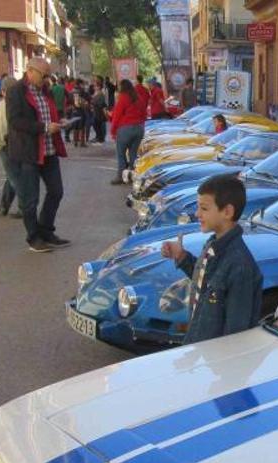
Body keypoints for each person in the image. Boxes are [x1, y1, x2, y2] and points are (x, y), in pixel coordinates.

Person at [159, 173, 262, 344]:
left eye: (204, 208)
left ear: (227, 212)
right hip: (198, 347)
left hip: (214, 361)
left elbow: (236, 334)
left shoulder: (240, 266)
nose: (197, 214)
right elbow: (206, 282)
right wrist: (181, 256)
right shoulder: (213, 244)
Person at [4, 58, 69, 252]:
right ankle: (33, 237)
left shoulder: (45, 90)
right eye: (44, 74)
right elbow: (15, 121)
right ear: (30, 71)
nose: (47, 79)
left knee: (56, 191)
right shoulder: (16, 92)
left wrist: (59, 122)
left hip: (48, 151)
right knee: (30, 198)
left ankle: (46, 230)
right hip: (28, 152)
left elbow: (47, 114)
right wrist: (44, 127)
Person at [109, 79, 147, 185]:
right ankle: (133, 175)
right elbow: (144, 114)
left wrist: (113, 130)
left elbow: (117, 115)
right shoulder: (138, 98)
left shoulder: (123, 98)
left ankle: (120, 176)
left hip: (125, 129)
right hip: (139, 129)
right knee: (133, 154)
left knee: (121, 154)